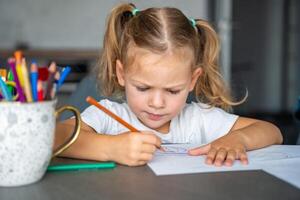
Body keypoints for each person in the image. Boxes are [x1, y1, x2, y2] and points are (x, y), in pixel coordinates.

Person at [54, 3, 282, 167]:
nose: (157, 103)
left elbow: (273, 132)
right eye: (143, 88)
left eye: (173, 91)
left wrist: (236, 139)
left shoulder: (198, 119)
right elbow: (54, 137)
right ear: (122, 74)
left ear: (192, 80)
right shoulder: (108, 116)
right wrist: (110, 148)